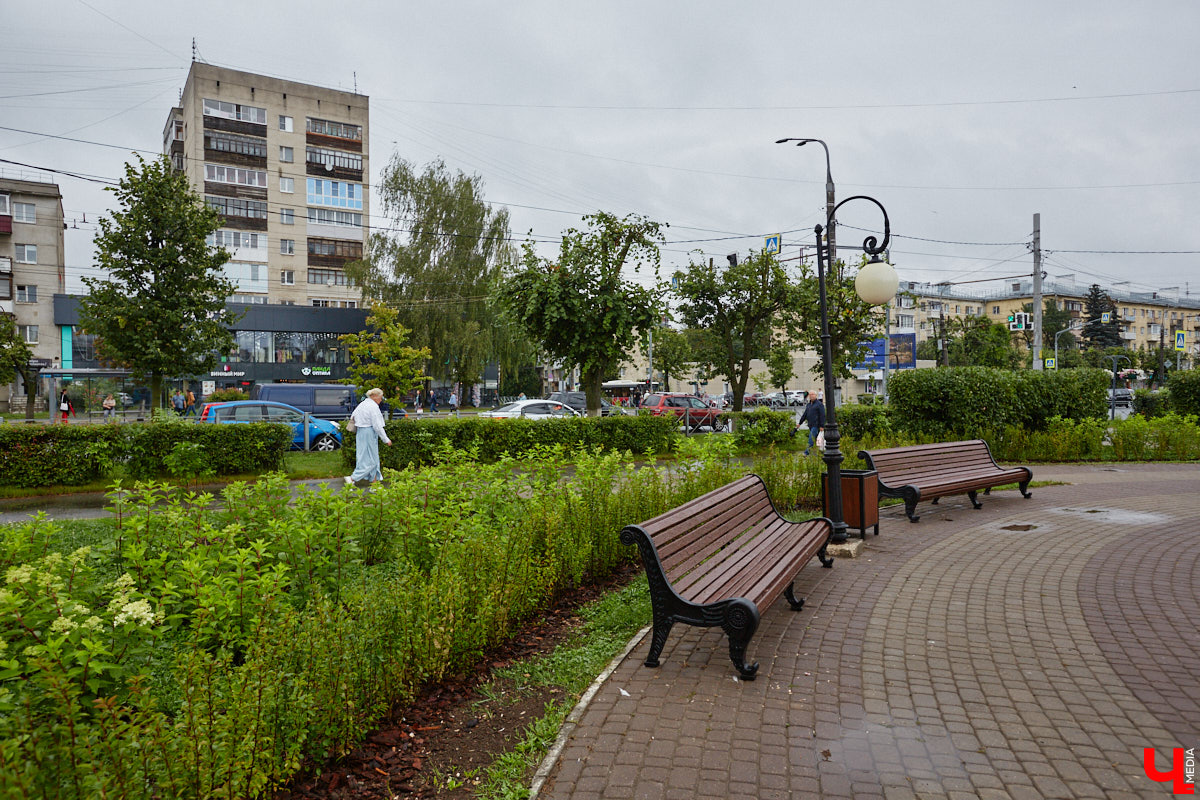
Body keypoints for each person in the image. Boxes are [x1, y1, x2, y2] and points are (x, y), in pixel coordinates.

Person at [345, 388, 392, 486]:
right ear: (375, 396)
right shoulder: (373, 407)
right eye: (380, 397)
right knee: (372, 460)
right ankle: (352, 478)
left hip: (361, 432)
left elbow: (353, 416)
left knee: (365, 457)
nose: (381, 400)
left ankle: (374, 483)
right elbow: (377, 426)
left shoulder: (362, 404)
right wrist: (386, 439)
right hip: (369, 432)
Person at [800, 390, 825, 456]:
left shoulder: (819, 404)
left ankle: (806, 452)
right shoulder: (809, 405)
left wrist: (822, 426)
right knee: (817, 439)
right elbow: (805, 414)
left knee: (811, 439)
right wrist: (799, 423)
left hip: (816, 425)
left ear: (816, 395)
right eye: (810, 394)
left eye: (813, 394)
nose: (811, 396)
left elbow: (822, 415)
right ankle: (821, 452)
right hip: (810, 425)